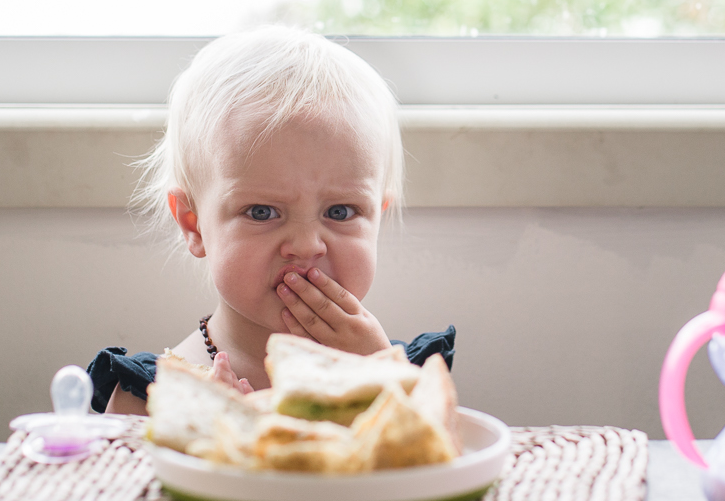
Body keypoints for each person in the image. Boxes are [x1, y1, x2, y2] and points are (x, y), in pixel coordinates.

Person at [88, 26, 453, 415]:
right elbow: (124, 477)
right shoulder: (154, 396)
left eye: (340, 212)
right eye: (262, 212)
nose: (306, 245)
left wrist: (387, 387)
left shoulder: (405, 383)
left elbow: (445, 465)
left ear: (376, 219)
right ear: (194, 226)